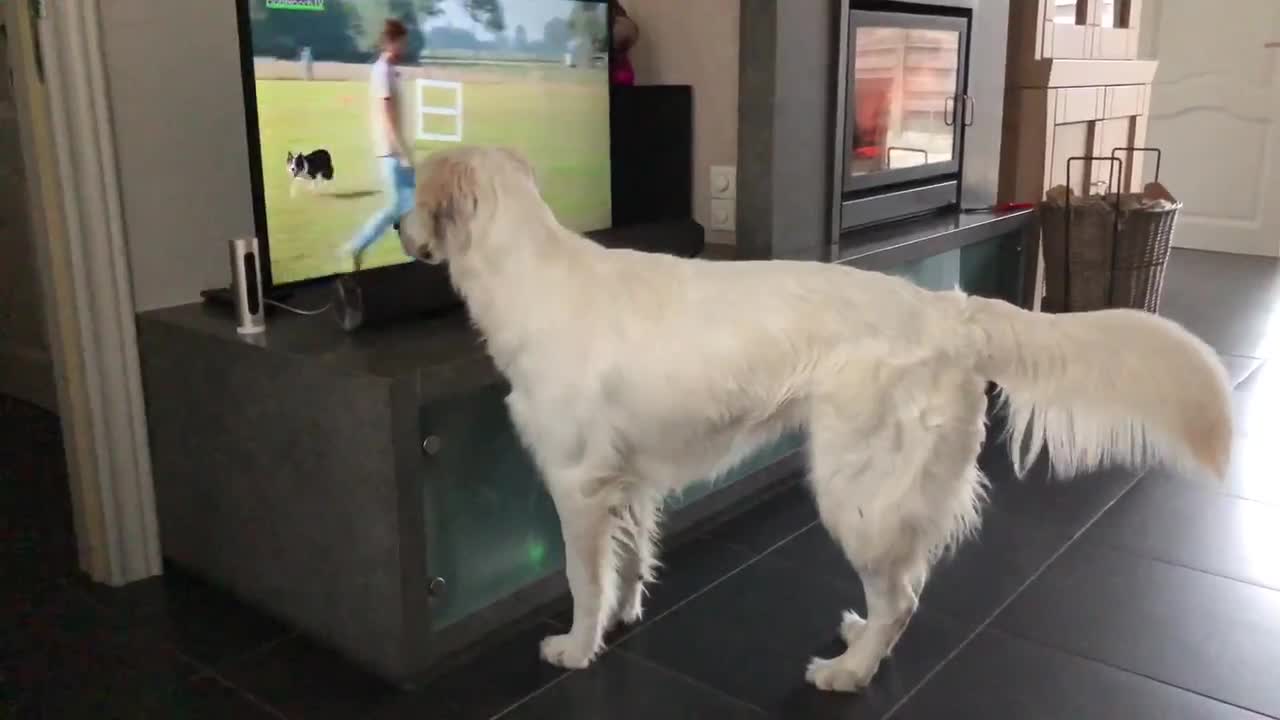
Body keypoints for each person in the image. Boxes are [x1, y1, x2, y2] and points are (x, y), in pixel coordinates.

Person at [341, 18, 415, 271]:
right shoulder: (382, 71)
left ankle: (418, 258)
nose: (406, 46)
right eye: (403, 41)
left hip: (394, 151)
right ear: (391, 41)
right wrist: (402, 152)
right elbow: (387, 116)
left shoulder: (390, 70)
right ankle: (358, 245)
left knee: (411, 207)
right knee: (398, 206)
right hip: (390, 152)